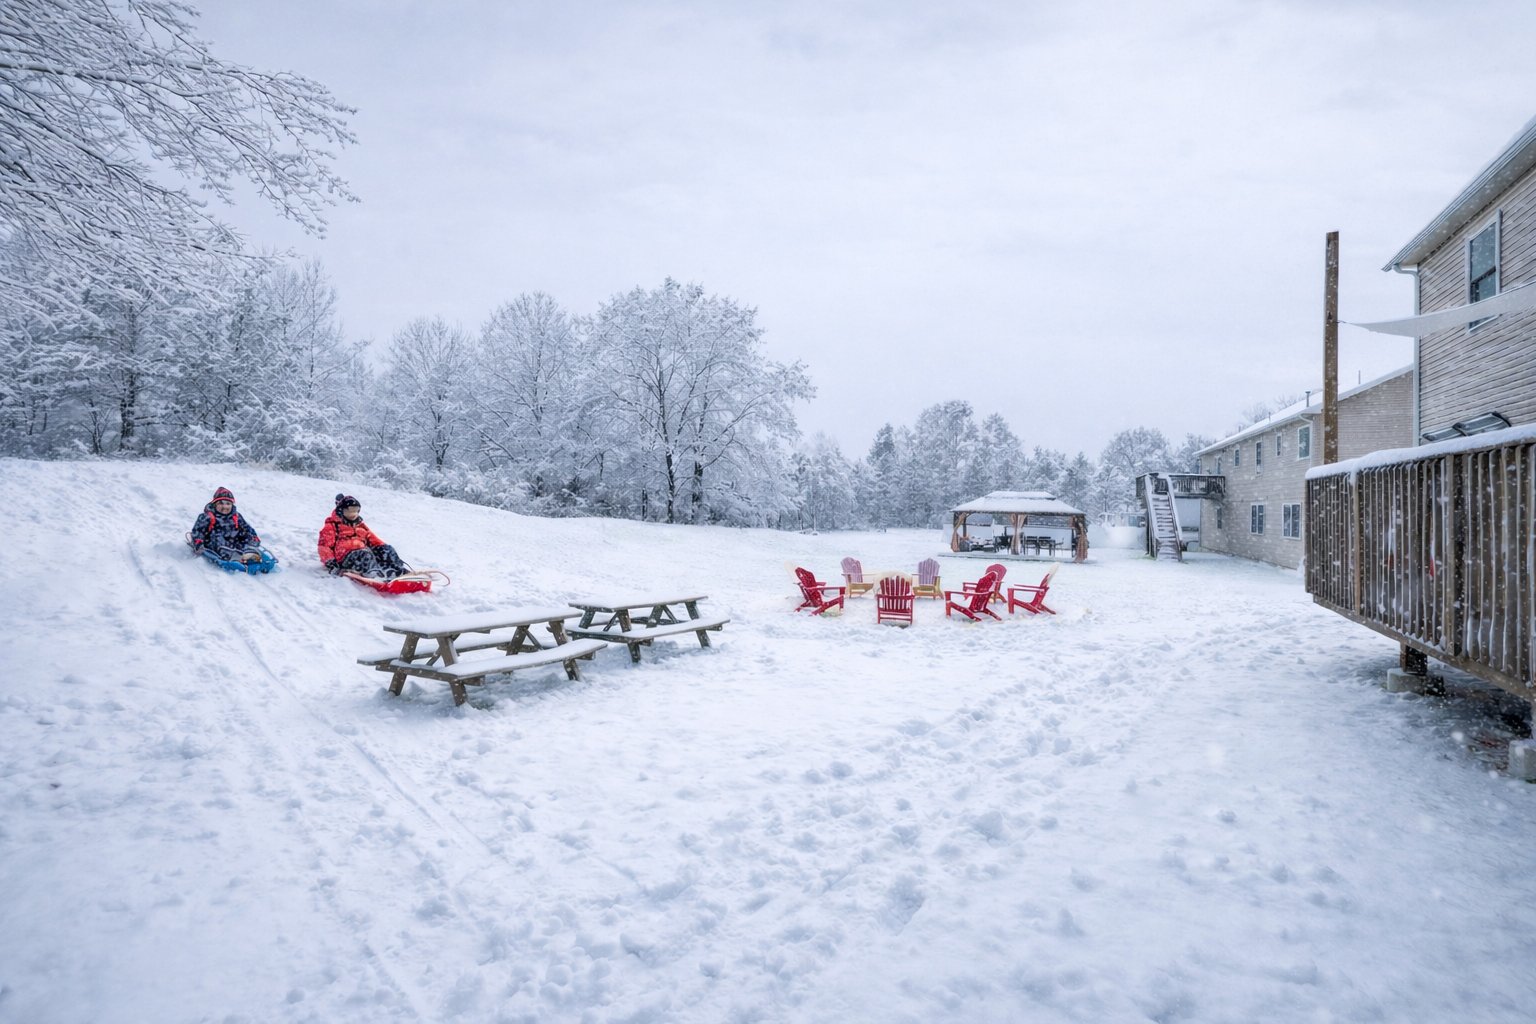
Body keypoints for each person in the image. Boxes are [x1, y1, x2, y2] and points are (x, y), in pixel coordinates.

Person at [318, 494, 411, 579]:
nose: (352, 515)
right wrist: (330, 562)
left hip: (363, 557)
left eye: (355, 511)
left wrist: (385, 550)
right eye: (349, 512)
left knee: (386, 549)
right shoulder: (333, 526)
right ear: (341, 511)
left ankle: (396, 570)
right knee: (365, 554)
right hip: (344, 559)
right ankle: (374, 575)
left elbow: (375, 541)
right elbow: (324, 546)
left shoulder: (361, 526)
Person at [189, 486, 265, 564]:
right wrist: (198, 541)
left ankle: (249, 552)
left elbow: (247, 528)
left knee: (245, 534)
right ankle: (226, 555)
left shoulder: (236, 516)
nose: (225, 506)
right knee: (218, 536)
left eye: (228, 504)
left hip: (233, 541)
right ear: (215, 504)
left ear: (232, 505)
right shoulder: (207, 516)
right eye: (221, 503)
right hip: (213, 543)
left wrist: (253, 537)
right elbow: (198, 531)